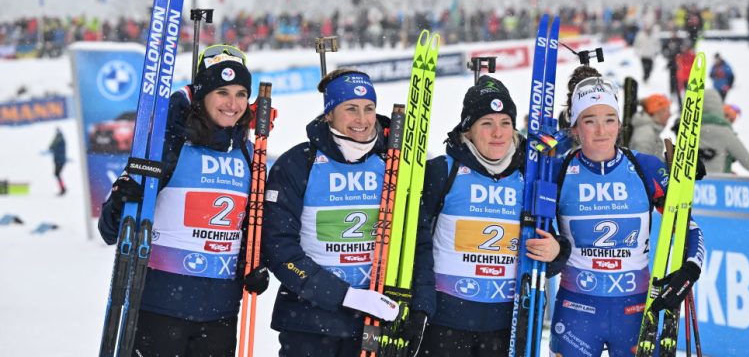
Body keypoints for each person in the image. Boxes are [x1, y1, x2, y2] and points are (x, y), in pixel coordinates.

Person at [98, 45, 270, 356]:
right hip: (160, 309)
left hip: (221, 314)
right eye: (222, 92)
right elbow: (111, 230)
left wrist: (253, 264)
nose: (233, 104)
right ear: (201, 94)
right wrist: (122, 199)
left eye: (241, 93)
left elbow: (251, 226)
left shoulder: (248, 152)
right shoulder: (169, 143)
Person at [262, 69, 434, 356]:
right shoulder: (297, 163)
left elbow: (418, 241)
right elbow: (279, 248)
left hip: (375, 321)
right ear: (328, 114)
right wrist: (346, 295)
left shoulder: (393, 164)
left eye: (369, 108)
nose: (363, 120)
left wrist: (422, 306)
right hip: (308, 323)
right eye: (350, 109)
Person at [549, 67, 705, 357]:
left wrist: (690, 269)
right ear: (574, 127)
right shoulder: (558, 173)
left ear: (619, 124)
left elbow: (687, 226)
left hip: (636, 311)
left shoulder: (645, 168)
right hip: (576, 311)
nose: (601, 130)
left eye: (609, 120)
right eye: (589, 120)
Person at [418, 75, 570, 356]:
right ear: (468, 130)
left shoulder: (531, 177)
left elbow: (556, 238)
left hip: (508, 325)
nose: (497, 133)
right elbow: (415, 241)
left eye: (505, 123)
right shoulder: (441, 172)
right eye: (486, 123)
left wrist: (555, 250)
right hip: (446, 323)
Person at [699, 88, 749, 174]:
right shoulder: (726, 134)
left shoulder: (688, 131)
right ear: (719, 107)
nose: (729, 120)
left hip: (691, 185)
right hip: (718, 184)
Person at [629, 93, 671, 161]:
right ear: (657, 112)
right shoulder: (645, 135)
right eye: (667, 111)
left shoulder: (650, 131)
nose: (670, 114)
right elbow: (642, 167)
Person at [49, 127, 66, 195]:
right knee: (57, 174)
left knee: (57, 174)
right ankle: (62, 188)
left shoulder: (59, 139)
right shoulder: (60, 139)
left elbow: (52, 146)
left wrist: (52, 148)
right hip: (59, 160)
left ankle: (63, 189)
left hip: (59, 160)